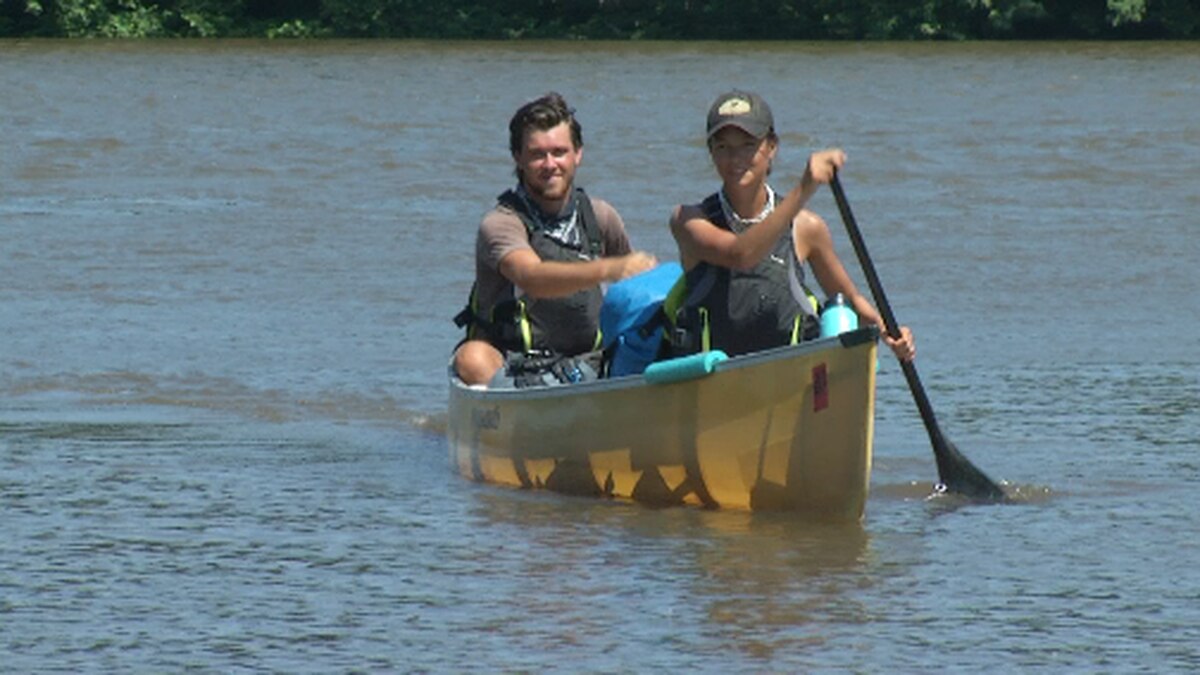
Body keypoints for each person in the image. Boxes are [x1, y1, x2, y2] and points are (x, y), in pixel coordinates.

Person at [667, 90, 915, 361]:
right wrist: (805, 187)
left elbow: (851, 300)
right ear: (711, 152)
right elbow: (740, 255)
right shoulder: (689, 220)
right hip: (708, 385)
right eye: (723, 146)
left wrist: (890, 334)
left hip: (786, 382)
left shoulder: (807, 229)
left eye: (748, 145)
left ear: (771, 146)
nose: (735, 157)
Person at [453, 92, 657, 386]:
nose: (550, 164)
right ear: (518, 158)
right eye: (537, 154)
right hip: (514, 366)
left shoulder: (600, 216)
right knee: (471, 358)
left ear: (578, 154)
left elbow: (637, 292)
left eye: (559, 152)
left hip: (588, 361)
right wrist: (608, 269)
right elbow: (532, 277)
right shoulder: (500, 224)